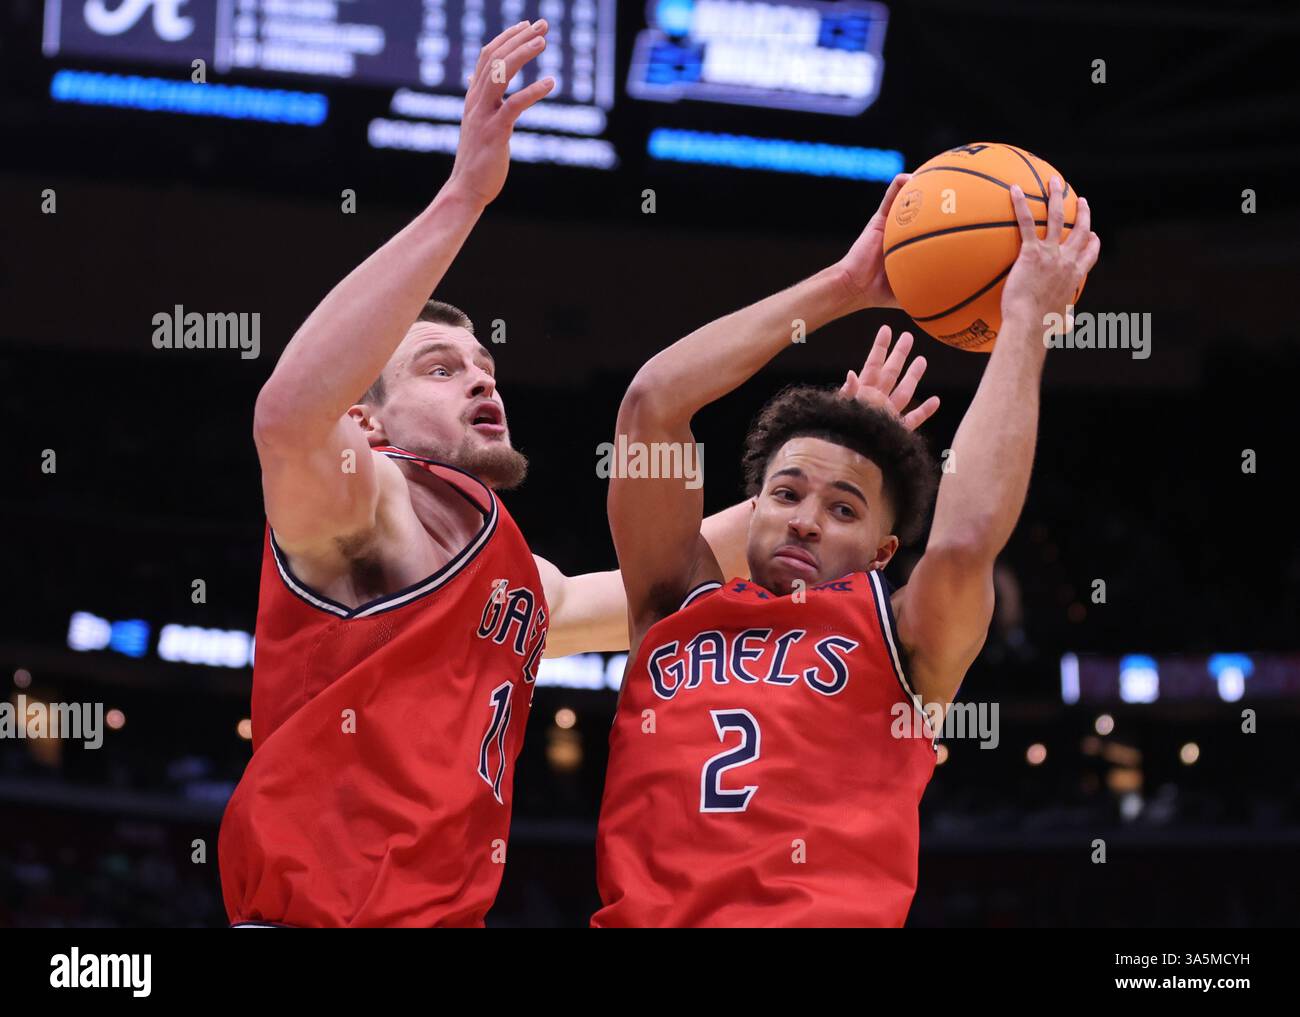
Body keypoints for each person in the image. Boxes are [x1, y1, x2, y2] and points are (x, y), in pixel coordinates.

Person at [594, 173, 1100, 926]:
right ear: (752, 507)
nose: (804, 520)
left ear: (881, 550)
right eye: (788, 493)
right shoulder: (673, 601)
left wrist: (1025, 321)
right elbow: (652, 404)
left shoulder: (903, 644)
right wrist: (845, 284)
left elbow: (964, 541)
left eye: (842, 509)